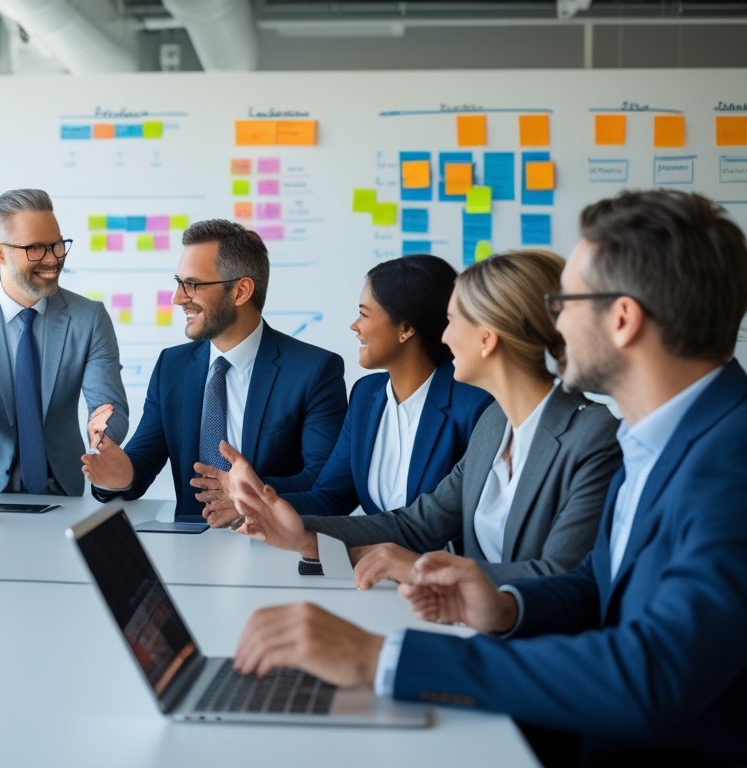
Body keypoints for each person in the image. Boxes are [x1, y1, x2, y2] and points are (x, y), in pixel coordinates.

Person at [232, 190, 747, 764]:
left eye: (566, 301)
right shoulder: (649, 437)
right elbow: (591, 585)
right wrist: (504, 607)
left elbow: (656, 670)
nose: (555, 322)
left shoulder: (730, 461)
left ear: (622, 319)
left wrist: (380, 658)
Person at [232, 249, 621, 586]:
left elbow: (562, 577)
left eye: (453, 322)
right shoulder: (495, 425)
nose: (444, 337)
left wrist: (418, 569)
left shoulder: (594, 436)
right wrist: (298, 531)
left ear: (487, 339)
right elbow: (416, 524)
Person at [81, 219, 347, 526]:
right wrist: (118, 474)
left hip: (271, 542)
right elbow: (141, 463)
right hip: (189, 543)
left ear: (241, 291)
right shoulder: (172, 366)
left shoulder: (314, 371)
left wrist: (248, 496)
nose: (178, 298)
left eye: (192, 284)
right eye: (178, 283)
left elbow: (325, 484)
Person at [260, 255, 492, 523]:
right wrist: (258, 500)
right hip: (376, 549)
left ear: (406, 328)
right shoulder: (366, 395)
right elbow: (331, 497)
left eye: (363, 314)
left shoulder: (475, 405)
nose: (354, 326)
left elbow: (456, 521)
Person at [0, 188, 128, 496]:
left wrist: (102, 435)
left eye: (57, 245)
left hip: (62, 494)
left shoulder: (88, 319)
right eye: (35, 248)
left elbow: (109, 407)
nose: (53, 259)